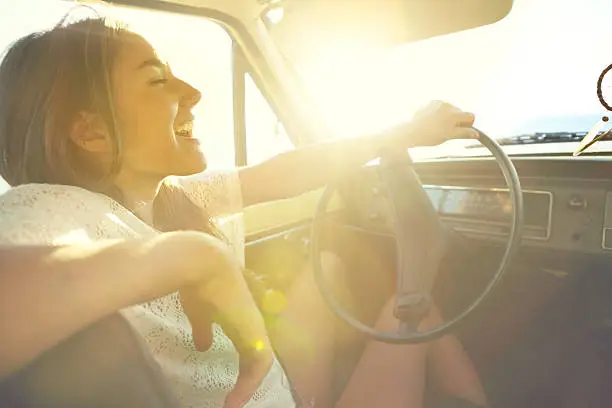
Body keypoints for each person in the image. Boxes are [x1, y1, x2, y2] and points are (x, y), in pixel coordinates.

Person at [0, 15, 487, 408]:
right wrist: (195, 257)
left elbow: (284, 171)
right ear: (92, 134)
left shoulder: (171, 196)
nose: (193, 92)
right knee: (414, 310)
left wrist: (404, 134)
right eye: (158, 80)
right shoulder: (54, 209)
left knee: (334, 264)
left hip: (269, 383)